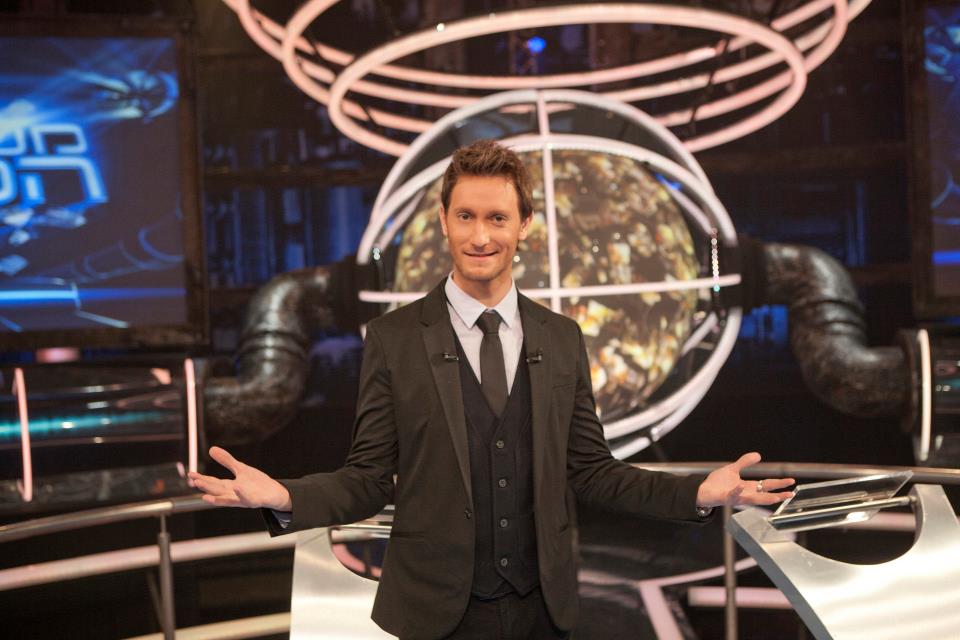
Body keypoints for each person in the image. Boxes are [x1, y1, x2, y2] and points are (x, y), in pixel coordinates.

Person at [189, 139, 794, 640]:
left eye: (497, 218)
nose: (480, 237)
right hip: (436, 616)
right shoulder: (394, 339)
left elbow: (592, 472)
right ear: (443, 221)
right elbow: (368, 479)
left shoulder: (562, 338)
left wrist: (698, 492)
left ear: (524, 225)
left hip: (542, 614)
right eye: (466, 217)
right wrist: (284, 496)